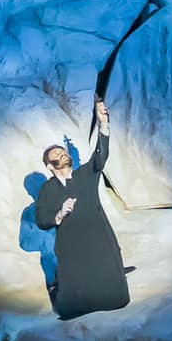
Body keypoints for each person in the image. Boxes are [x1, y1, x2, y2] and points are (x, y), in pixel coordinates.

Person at [34, 97, 130, 319]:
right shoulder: (48, 189)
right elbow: (41, 219)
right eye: (56, 155)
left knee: (112, 289)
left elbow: (100, 157)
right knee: (76, 290)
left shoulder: (85, 175)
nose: (62, 154)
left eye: (63, 152)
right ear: (50, 166)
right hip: (71, 244)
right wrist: (59, 213)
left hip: (97, 237)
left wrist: (103, 125)